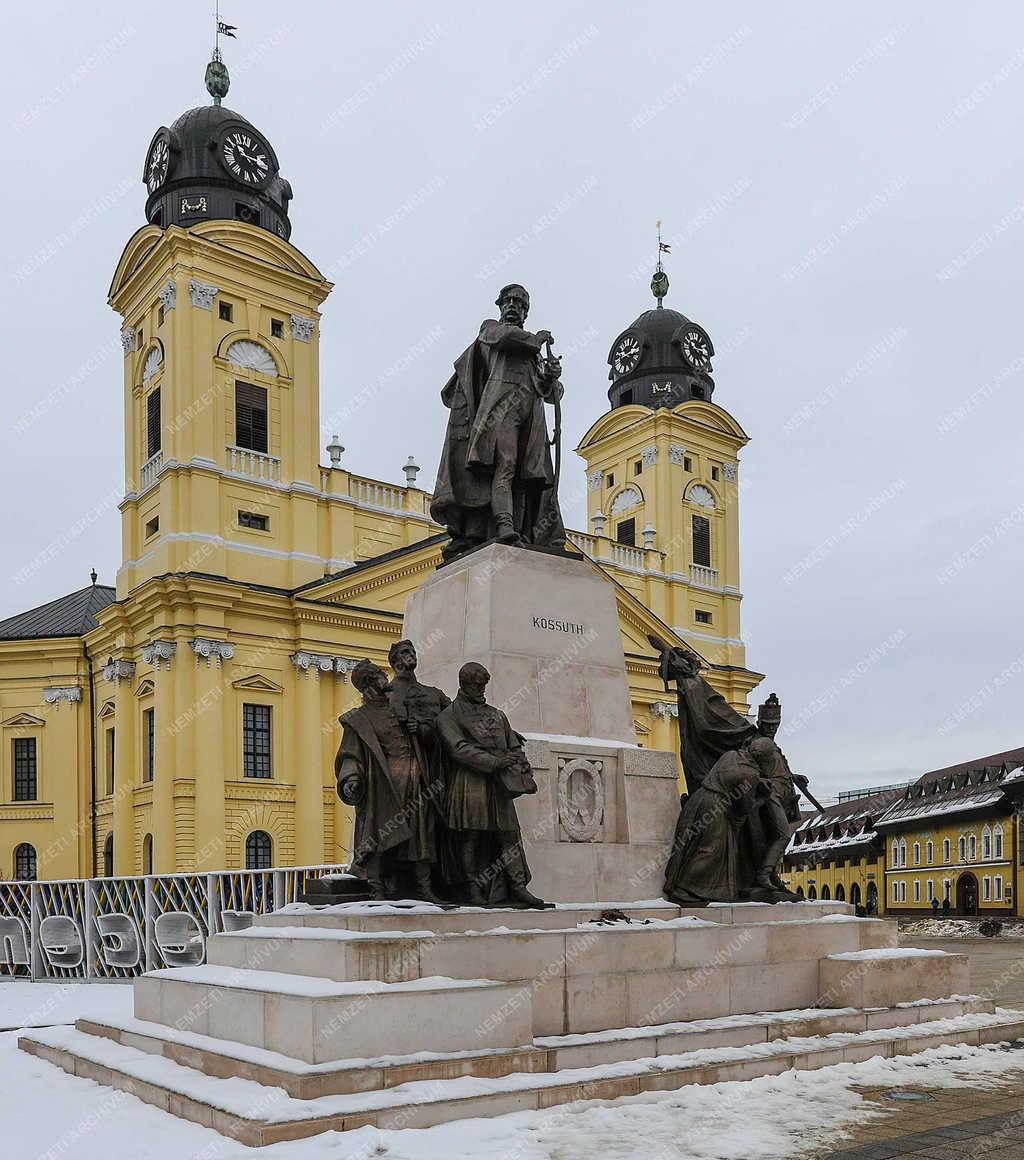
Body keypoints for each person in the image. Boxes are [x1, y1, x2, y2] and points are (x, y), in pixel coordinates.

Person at [431, 284, 565, 560]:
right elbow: (501, 336)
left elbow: (552, 393)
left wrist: (551, 375)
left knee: (527, 477)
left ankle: (521, 531)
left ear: (526, 311)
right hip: (501, 410)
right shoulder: (493, 330)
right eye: (509, 301)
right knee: (505, 466)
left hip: (532, 414)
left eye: (519, 303)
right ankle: (505, 526)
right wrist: (536, 339)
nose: (513, 306)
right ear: (501, 306)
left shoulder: (532, 354)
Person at [435, 662, 546, 907]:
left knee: (509, 835)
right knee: (471, 837)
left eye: (484, 685)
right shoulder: (449, 715)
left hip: (499, 785)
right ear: (463, 685)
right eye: (477, 685)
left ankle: (518, 886)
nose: (481, 689)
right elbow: (458, 749)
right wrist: (495, 761)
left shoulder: (497, 714)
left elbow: (513, 745)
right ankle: (472, 887)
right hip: (469, 782)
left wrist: (521, 764)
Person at [334, 659, 443, 903]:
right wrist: (351, 778)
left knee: (421, 836)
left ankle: (424, 889)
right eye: (380, 675)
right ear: (370, 683)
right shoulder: (357, 719)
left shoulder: (400, 711)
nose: (387, 678)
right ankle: (376, 887)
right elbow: (350, 754)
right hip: (382, 786)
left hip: (415, 782)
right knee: (378, 838)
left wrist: (421, 730)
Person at [663, 737, 778, 906]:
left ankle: (682, 885)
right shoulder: (750, 774)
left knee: (691, 844)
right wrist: (761, 797)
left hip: (699, 799)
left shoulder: (731, 755)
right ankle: (685, 889)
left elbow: (729, 775)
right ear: (764, 758)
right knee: (710, 850)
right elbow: (744, 808)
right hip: (717, 807)